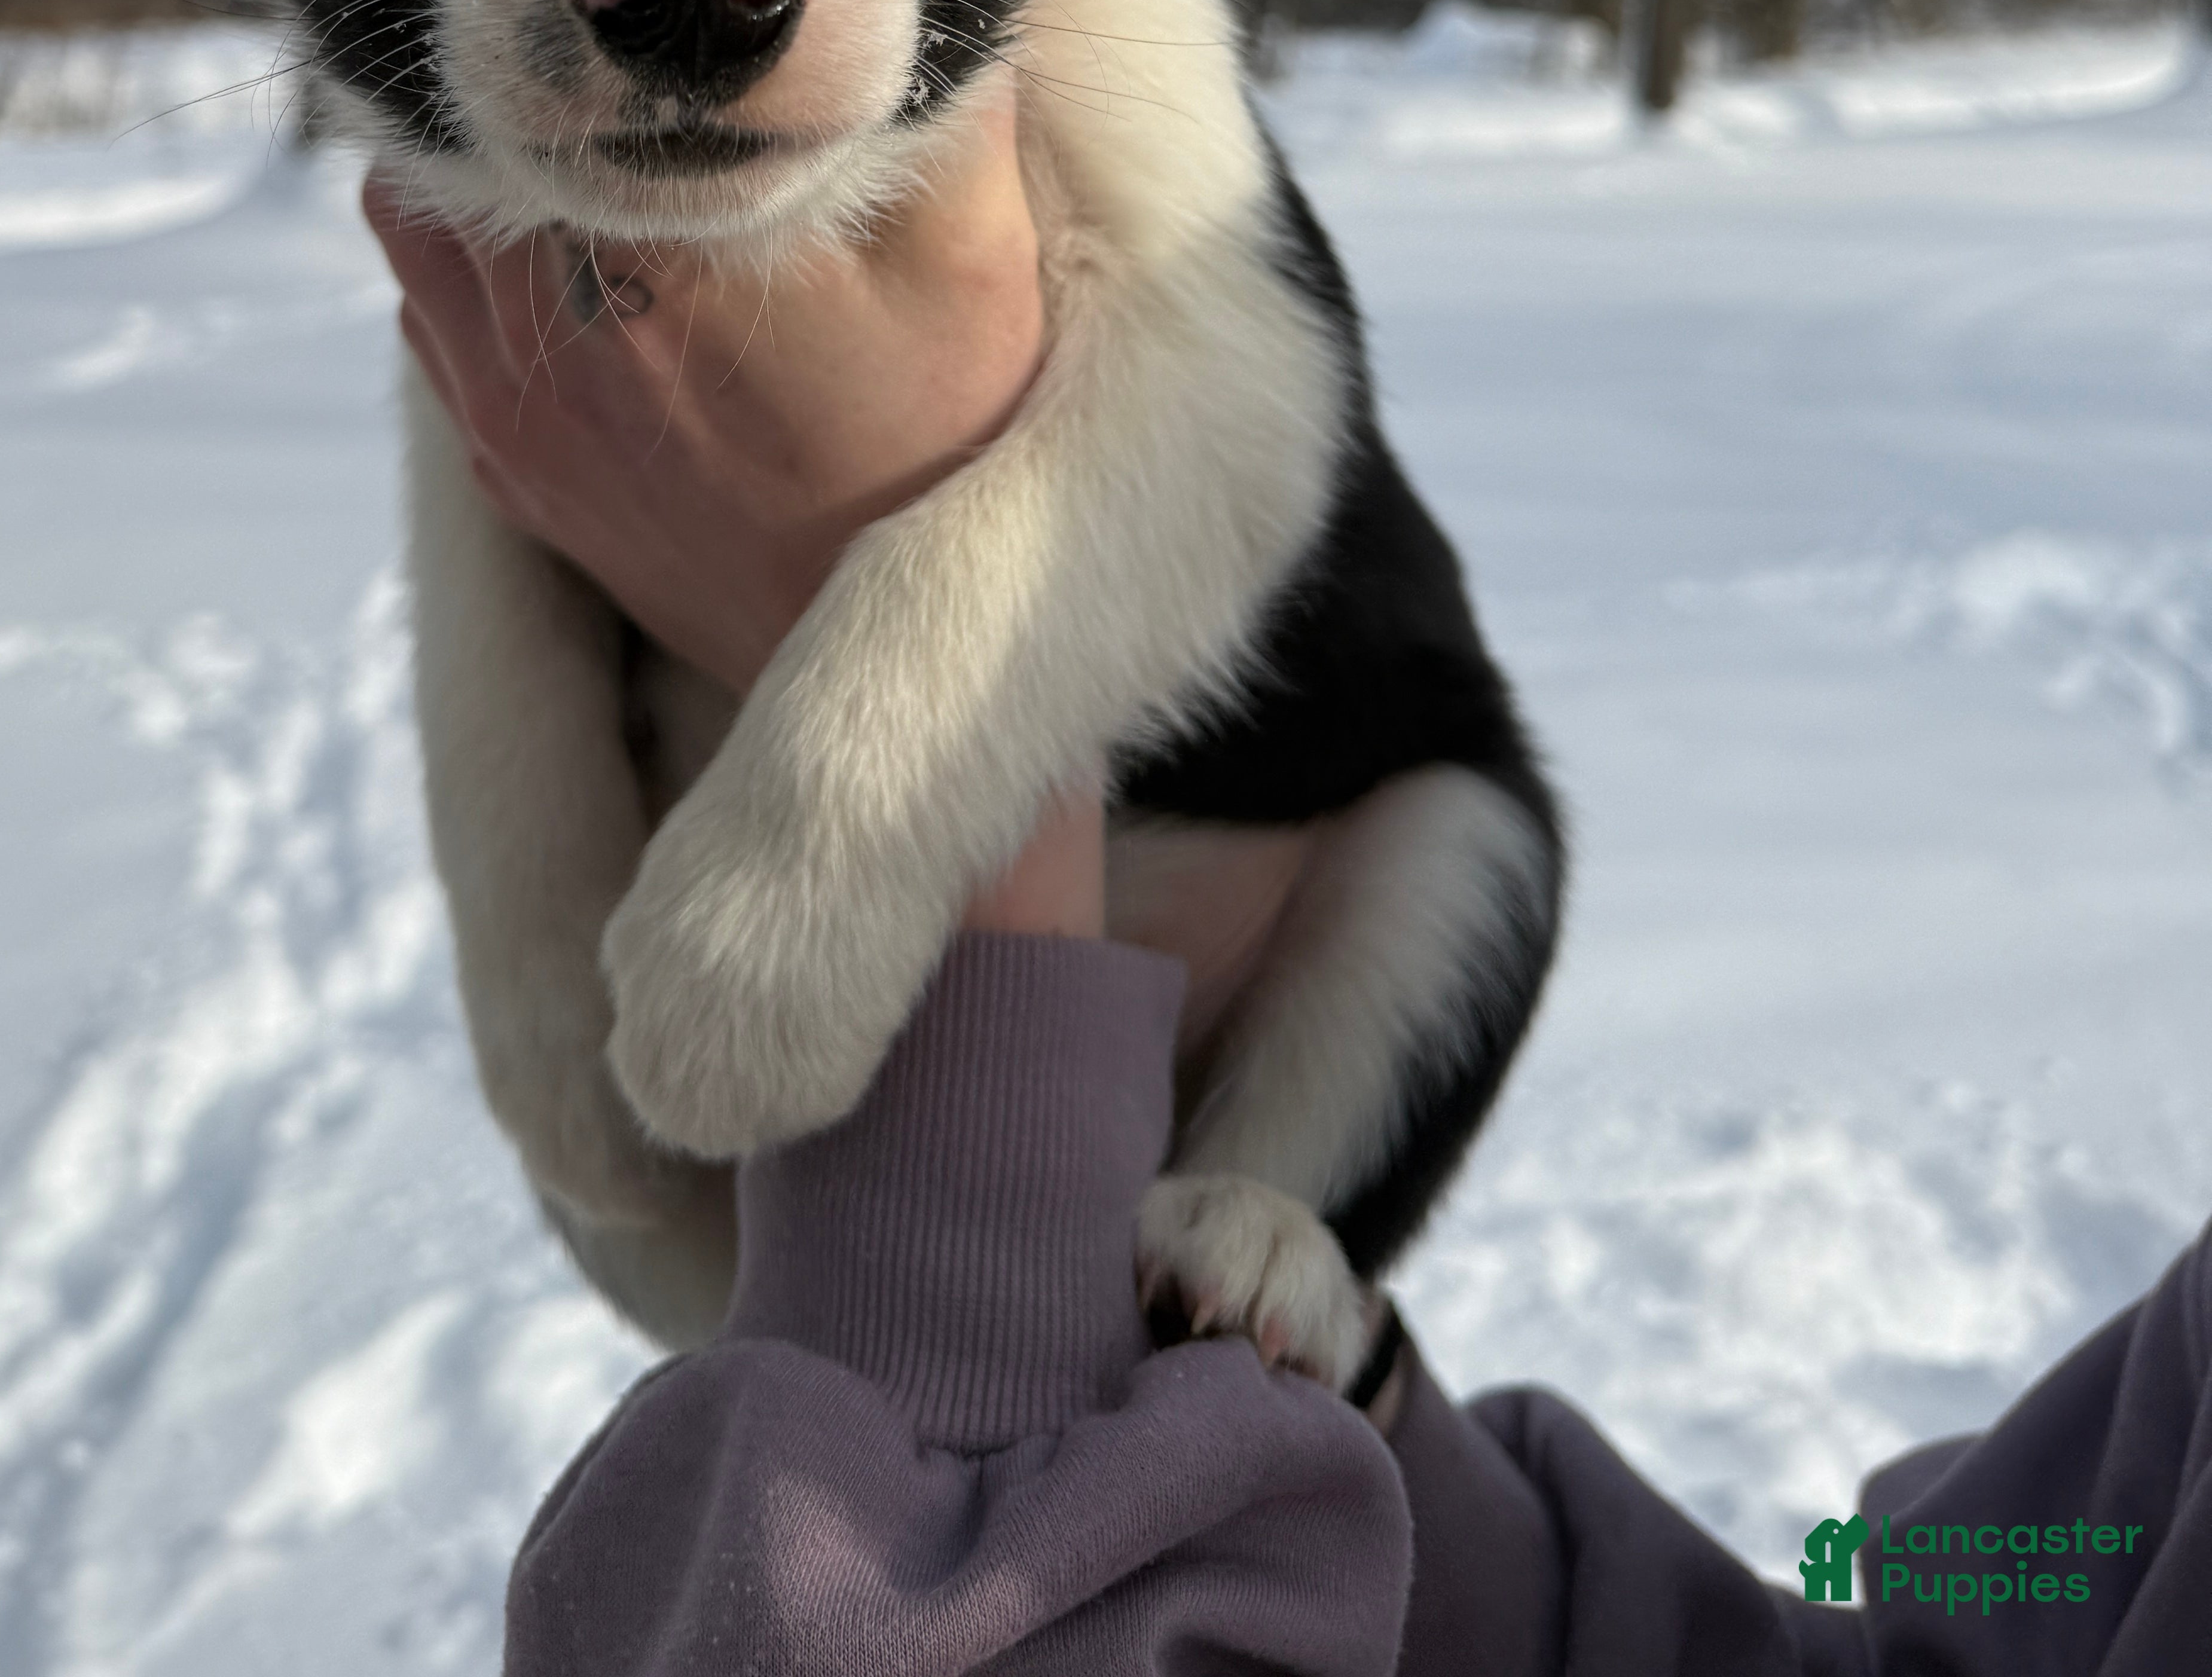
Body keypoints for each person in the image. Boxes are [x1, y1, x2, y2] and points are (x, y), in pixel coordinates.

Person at [363, 118, 2211, 1675]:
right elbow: (1903, 1643)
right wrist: (1351, 1434)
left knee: (1459, 842)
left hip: (1056, 1000)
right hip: (901, 1155)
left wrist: (943, 816)